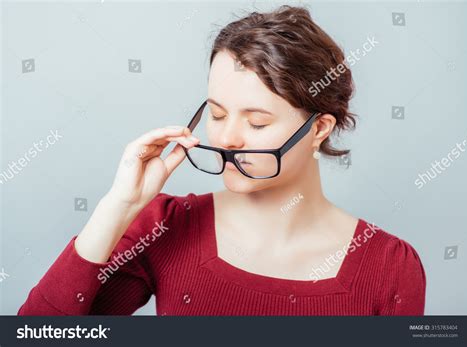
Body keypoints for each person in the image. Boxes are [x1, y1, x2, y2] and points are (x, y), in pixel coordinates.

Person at [18, 5, 425, 316]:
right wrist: (117, 207)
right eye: (216, 114)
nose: (226, 138)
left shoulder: (389, 265)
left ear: (319, 130)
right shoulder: (164, 226)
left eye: (257, 121)